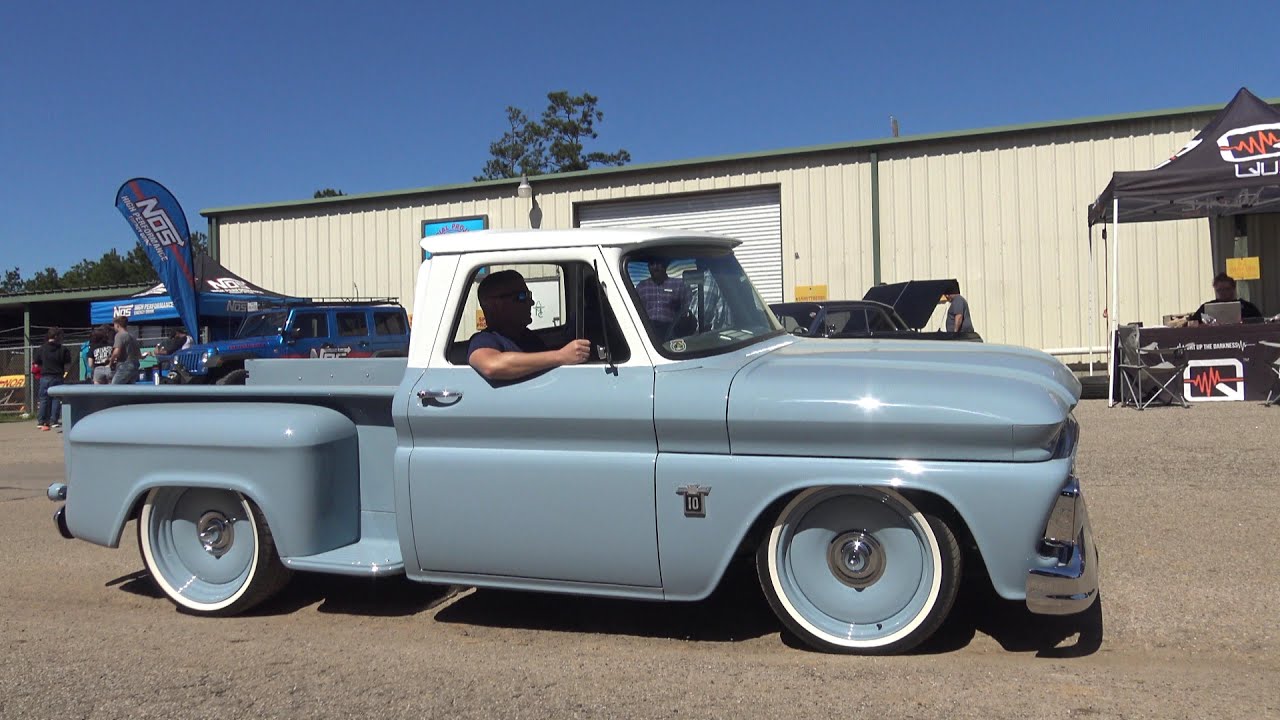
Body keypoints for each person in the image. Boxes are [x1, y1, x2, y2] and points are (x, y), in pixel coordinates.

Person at [467, 270, 590, 382]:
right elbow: (491, 366)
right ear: (495, 305)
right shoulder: (484, 340)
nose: (531, 302)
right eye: (522, 296)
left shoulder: (528, 338)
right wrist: (561, 356)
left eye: (528, 295)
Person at [635, 259, 692, 337]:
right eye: (652, 264)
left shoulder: (680, 285)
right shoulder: (641, 287)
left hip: (673, 330)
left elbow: (688, 307)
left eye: (658, 264)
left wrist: (678, 308)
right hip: (647, 331)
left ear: (665, 266)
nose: (655, 267)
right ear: (648, 267)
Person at [1187, 272, 1263, 326]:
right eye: (1219, 290)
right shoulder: (1206, 308)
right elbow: (1192, 324)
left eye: (1227, 289)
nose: (1223, 292)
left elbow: (1260, 323)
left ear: (1234, 289)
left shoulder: (1247, 307)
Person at [32, 327, 71, 431]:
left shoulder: (42, 348)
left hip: (45, 376)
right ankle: (54, 421)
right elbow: (67, 362)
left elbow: (36, 362)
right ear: (56, 336)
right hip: (58, 376)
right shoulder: (63, 349)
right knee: (56, 399)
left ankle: (41, 421)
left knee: (44, 399)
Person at [110, 316, 142, 384]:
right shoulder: (132, 336)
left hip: (124, 365)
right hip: (134, 365)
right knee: (129, 390)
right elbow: (139, 355)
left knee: (114, 387)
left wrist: (111, 361)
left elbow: (116, 352)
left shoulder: (119, 335)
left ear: (117, 325)